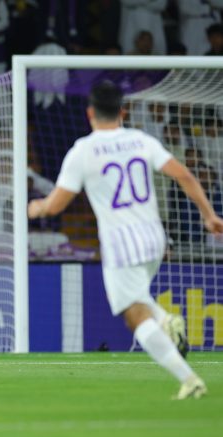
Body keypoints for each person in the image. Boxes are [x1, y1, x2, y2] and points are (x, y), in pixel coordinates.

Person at [27, 81, 223, 399]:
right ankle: (166, 319)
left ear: (90, 113)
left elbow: (57, 204)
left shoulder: (84, 150)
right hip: (155, 238)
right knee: (139, 299)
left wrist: (36, 208)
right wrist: (209, 215)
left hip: (122, 244)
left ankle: (188, 378)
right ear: (122, 111)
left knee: (133, 316)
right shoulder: (140, 140)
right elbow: (185, 175)